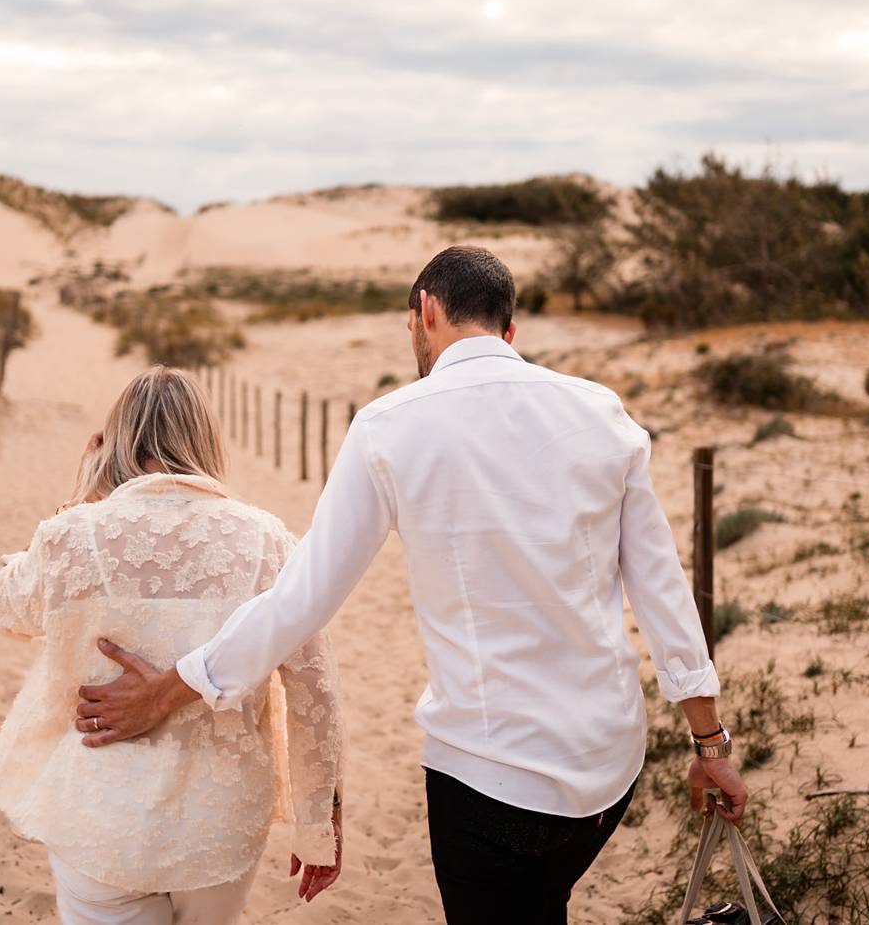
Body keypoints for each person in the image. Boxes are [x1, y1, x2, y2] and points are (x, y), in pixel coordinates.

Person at [74, 246, 748, 924]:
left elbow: (300, 599)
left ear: (425, 310)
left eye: (410, 327)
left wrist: (168, 690)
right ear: (508, 330)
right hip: (609, 773)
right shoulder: (603, 412)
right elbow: (664, 592)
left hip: (491, 784)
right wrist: (710, 743)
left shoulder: (389, 427)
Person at [0, 367, 344, 925]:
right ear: (205, 436)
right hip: (219, 823)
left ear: (117, 442)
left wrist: (76, 502)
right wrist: (318, 824)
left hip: (100, 818)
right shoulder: (266, 538)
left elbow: (5, 607)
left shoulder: (75, 533)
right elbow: (315, 687)